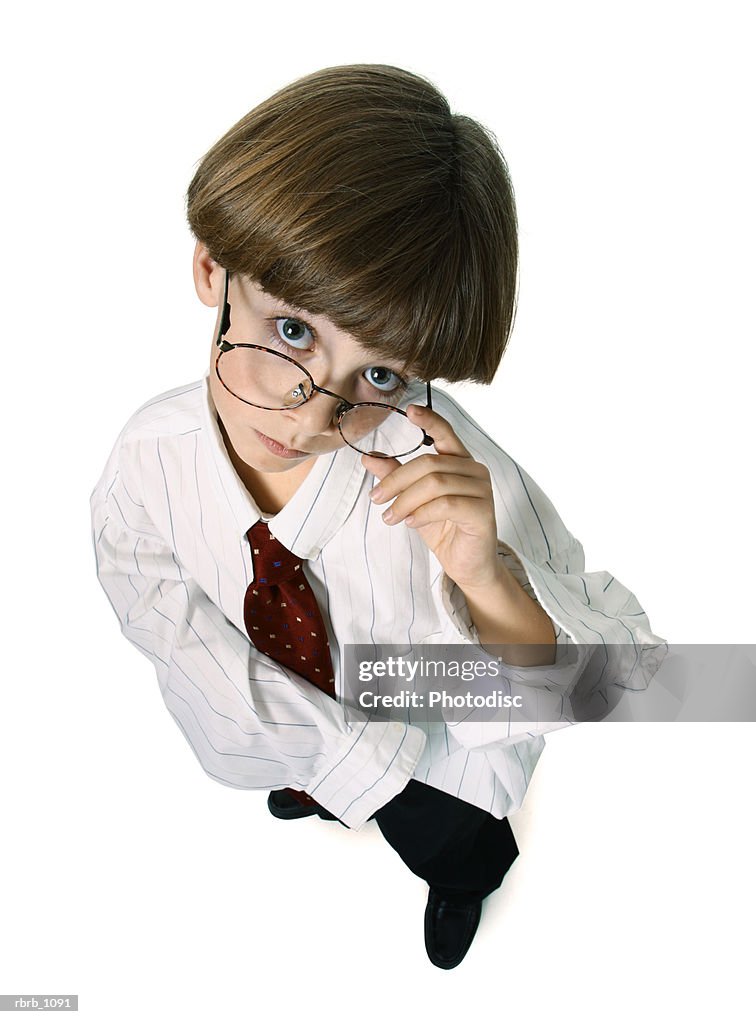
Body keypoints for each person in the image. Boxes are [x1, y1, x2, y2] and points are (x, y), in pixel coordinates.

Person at [90, 63, 665, 970]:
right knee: (318, 766)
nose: (314, 414)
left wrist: (486, 576)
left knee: (459, 842)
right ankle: (325, 785)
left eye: (383, 375)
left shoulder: (442, 471)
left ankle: (467, 876)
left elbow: (602, 683)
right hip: (297, 727)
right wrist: (337, 762)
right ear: (212, 268)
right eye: (291, 333)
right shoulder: (147, 457)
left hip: (445, 755)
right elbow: (166, 621)